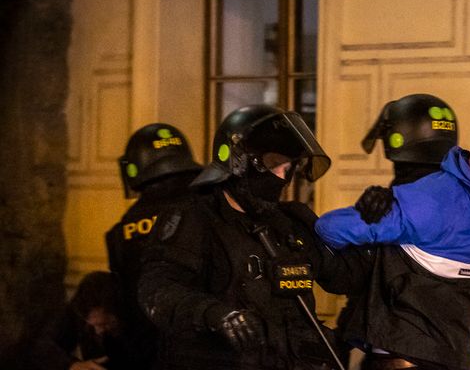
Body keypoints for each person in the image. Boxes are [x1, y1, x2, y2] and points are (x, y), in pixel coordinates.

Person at [137, 105, 360, 370]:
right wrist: (216, 315)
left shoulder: (292, 222)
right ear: (239, 161)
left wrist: (368, 223)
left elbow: (346, 277)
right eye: (274, 163)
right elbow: (158, 290)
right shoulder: (195, 219)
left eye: (289, 167)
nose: (282, 176)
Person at [316, 114, 470, 370]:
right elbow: (329, 228)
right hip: (404, 358)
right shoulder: (432, 204)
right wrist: (370, 212)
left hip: (448, 356)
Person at [105, 123, 203, 369]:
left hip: (147, 352)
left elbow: (124, 302)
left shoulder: (123, 230)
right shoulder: (209, 206)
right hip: (208, 344)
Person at [27, 271, 131, 370]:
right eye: (91, 325)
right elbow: (43, 346)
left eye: (105, 324)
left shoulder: (137, 320)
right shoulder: (79, 310)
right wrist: (71, 365)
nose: (97, 331)